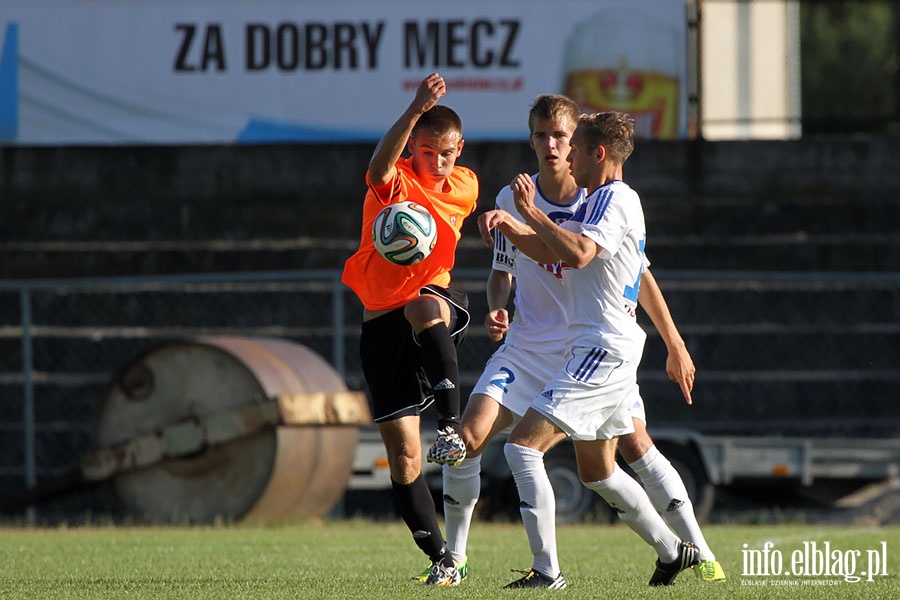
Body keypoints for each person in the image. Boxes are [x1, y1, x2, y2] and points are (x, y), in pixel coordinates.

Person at [442, 96, 725, 588]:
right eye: (543, 137)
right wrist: (513, 225)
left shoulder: (612, 200)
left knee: (528, 450)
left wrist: (675, 343)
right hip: (559, 347)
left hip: (601, 349)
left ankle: (550, 573)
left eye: (566, 140)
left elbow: (578, 255)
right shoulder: (590, 201)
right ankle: (671, 551)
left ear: (588, 150)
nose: (557, 150)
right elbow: (537, 254)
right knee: (596, 470)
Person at [341, 72, 478, 587]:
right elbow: (377, 166)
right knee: (402, 456)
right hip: (381, 327)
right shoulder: (395, 179)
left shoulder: (466, 185)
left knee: (423, 304)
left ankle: (450, 427)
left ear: (458, 150)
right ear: (413, 148)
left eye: (445, 153)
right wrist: (415, 109)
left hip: (432, 305)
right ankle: (443, 558)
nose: (436, 162)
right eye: (425, 151)